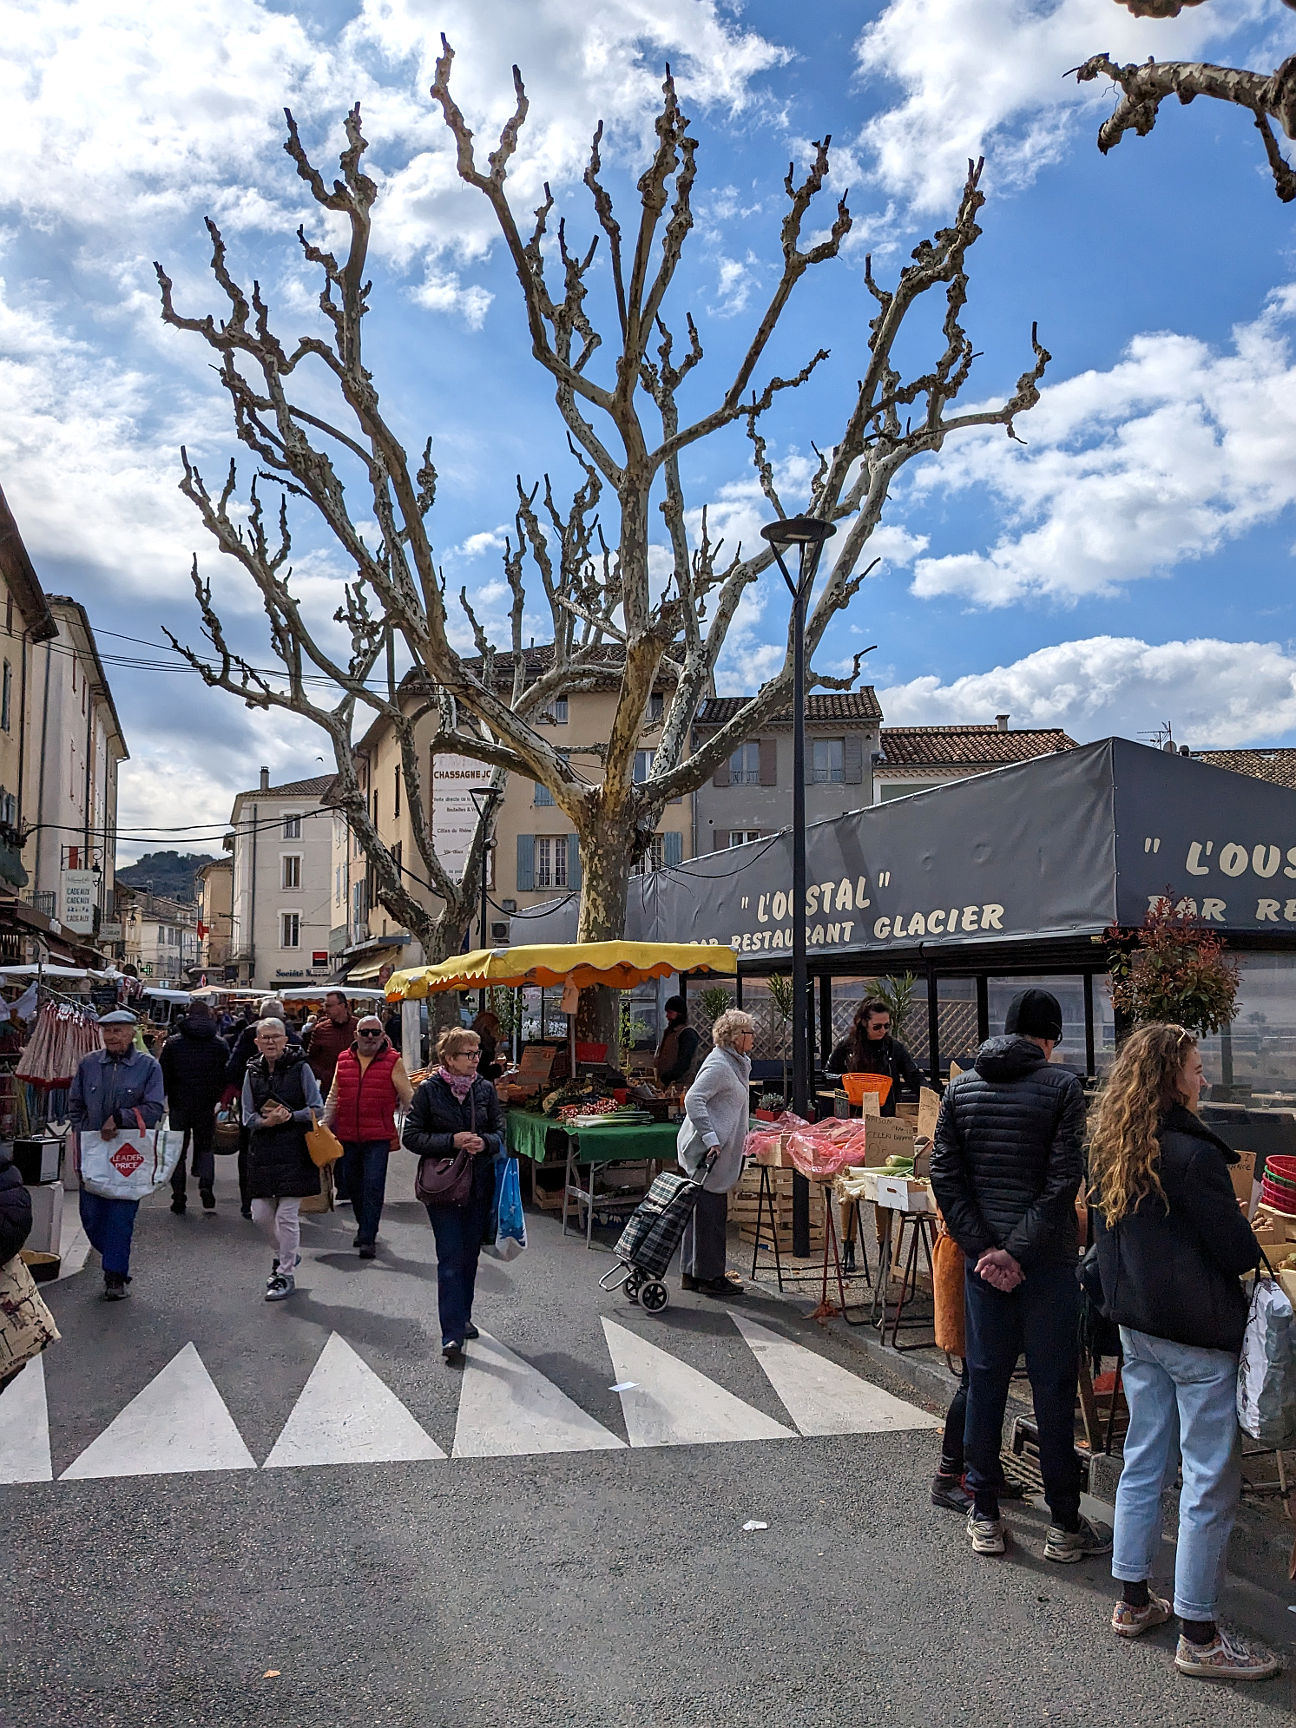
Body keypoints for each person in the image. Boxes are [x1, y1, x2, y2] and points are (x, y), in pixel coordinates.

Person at [1089, 1024, 1278, 1682]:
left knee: (1144, 1461)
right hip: (1197, 1333)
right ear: (1172, 1074)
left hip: (1138, 1326)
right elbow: (1233, 1252)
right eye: (1196, 1068)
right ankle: (1199, 1633)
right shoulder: (1193, 1156)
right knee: (1208, 1481)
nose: (1203, 1079)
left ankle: (1133, 1600)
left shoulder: (1114, 1141)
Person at [930, 987, 1108, 1562]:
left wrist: (985, 1249)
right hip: (1048, 1265)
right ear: (1050, 1037)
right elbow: (1064, 1181)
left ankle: (983, 1511)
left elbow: (945, 1178)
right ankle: (1062, 1522)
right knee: (1053, 1387)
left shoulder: (959, 1089)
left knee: (986, 1382)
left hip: (985, 1269)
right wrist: (1020, 1251)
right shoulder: (1063, 1089)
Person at [402, 1026, 505, 1364]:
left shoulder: (485, 1089)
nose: (475, 1060)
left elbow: (500, 1132)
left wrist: (485, 1142)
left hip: (478, 1183)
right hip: (444, 1186)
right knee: (449, 1258)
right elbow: (412, 1137)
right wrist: (453, 1141)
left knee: (469, 1257)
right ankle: (451, 1335)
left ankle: (462, 1316)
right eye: (469, 1054)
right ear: (449, 1058)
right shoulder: (429, 1091)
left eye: (478, 1054)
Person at [68, 1009, 166, 1301]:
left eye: (118, 1030)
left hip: (128, 1154)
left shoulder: (148, 1066)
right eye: (107, 1031)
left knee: (120, 1218)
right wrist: (85, 1132)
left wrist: (122, 1118)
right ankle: (114, 1256)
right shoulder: (88, 1064)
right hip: (94, 1151)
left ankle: (114, 1276)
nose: (111, 1036)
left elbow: (155, 1109)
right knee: (91, 1216)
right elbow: (75, 1105)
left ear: (131, 1032)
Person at [240, 1017, 324, 1302]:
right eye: (265, 1037)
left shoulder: (301, 1068)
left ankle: (285, 1272)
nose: (271, 1042)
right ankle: (286, 1254)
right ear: (257, 1042)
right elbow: (246, 1116)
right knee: (260, 1215)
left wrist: (291, 1116)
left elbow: (317, 1109)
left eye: (276, 1036)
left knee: (287, 1216)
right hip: (262, 1152)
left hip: (295, 1150)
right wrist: (266, 1122)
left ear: (286, 1039)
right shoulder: (251, 1072)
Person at [676, 1008, 756, 1297]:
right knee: (711, 1212)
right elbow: (694, 1099)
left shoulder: (734, 1062)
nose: (753, 1038)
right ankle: (711, 1276)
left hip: (716, 1152)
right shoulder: (721, 1065)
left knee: (700, 1210)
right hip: (709, 1153)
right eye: (749, 1033)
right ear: (736, 1037)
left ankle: (692, 1272)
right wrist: (711, 1138)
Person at [324, 1015, 414, 1258]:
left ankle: (368, 1237)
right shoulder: (343, 1060)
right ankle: (364, 1227)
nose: (371, 1037)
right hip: (348, 1134)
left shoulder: (393, 1061)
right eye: (365, 1032)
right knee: (352, 1184)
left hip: (378, 1135)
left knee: (373, 1186)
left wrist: (423, 1119)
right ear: (356, 1035)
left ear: (384, 1035)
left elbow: (407, 1095)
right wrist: (324, 1123)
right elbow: (335, 1094)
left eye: (376, 1032)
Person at [226, 996, 300, 1219]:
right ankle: (279, 1198)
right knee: (284, 1151)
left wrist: (245, 1088)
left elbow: (232, 1067)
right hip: (285, 1104)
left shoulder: (249, 1033)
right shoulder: (290, 1036)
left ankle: (248, 1200)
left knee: (249, 1151)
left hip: (254, 1101)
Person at [161, 1002, 229, 1215]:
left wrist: (164, 1100)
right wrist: (219, 1097)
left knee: (178, 1153)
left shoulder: (173, 1044)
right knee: (206, 1148)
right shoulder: (219, 1044)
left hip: (179, 1103)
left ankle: (178, 1197)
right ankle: (206, 1186)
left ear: (188, 1015)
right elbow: (225, 1075)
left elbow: (163, 1076)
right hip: (206, 1104)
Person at [828, 997, 924, 1117]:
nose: (882, 1031)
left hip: (885, 1114)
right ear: (864, 1023)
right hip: (853, 1113)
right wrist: (846, 1081)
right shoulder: (847, 1044)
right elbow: (828, 1073)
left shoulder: (893, 1047)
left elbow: (913, 1075)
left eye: (886, 1026)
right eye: (877, 1026)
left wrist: (930, 1096)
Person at [655, 995, 701, 1091]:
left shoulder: (688, 1034)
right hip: (668, 1085)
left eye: (670, 1013)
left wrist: (666, 1078)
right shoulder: (670, 1032)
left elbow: (684, 1063)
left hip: (681, 1087)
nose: (667, 1016)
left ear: (680, 1014)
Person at [471, 1009, 503, 1080]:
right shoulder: (479, 1046)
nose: (496, 1033)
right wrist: (498, 1069)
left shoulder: (479, 1042)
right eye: (495, 1029)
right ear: (487, 1029)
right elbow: (480, 1071)